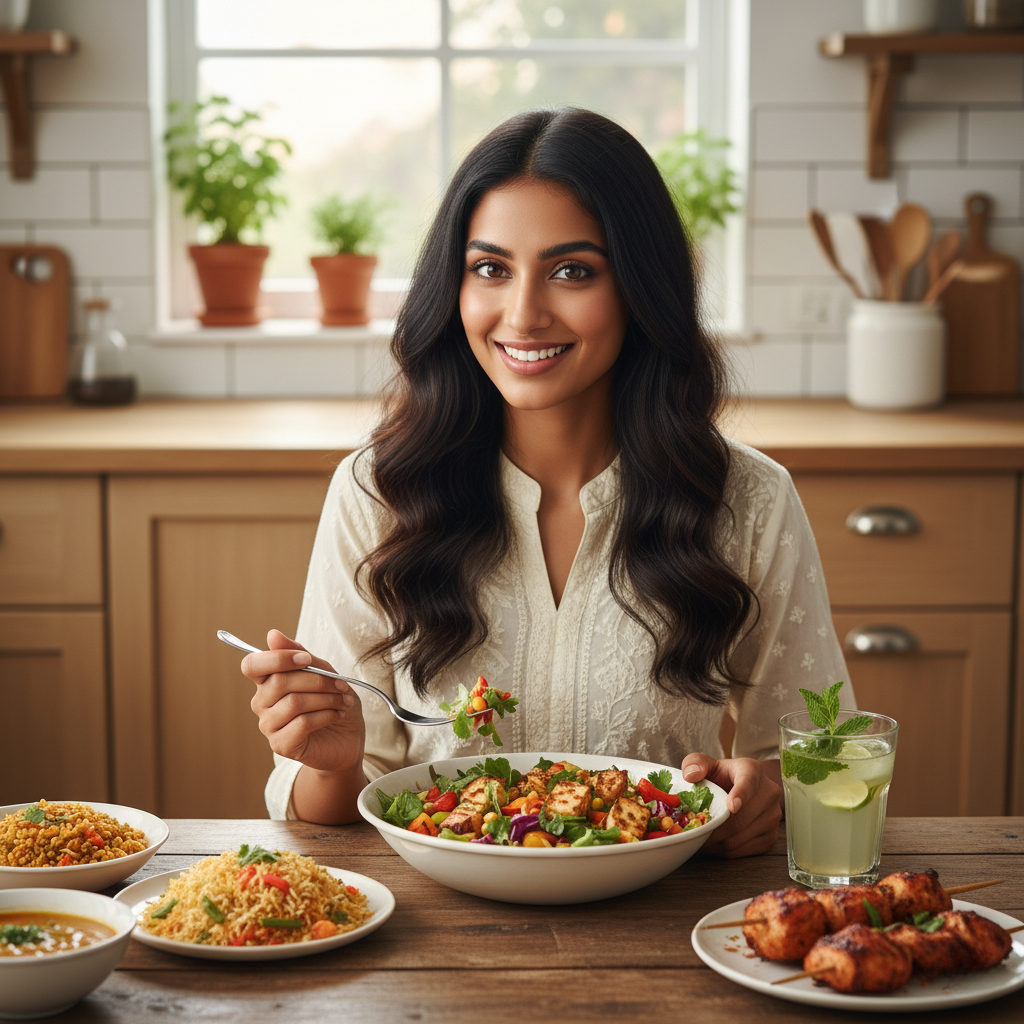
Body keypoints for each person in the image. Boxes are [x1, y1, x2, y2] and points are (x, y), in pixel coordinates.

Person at [241, 107, 850, 857]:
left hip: (665, 930)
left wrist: (770, 800)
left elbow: (828, 765)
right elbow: (331, 803)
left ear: (639, 287)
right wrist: (326, 760)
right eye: (490, 269)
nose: (523, 314)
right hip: (436, 941)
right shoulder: (378, 491)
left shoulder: (749, 500)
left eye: (572, 271)